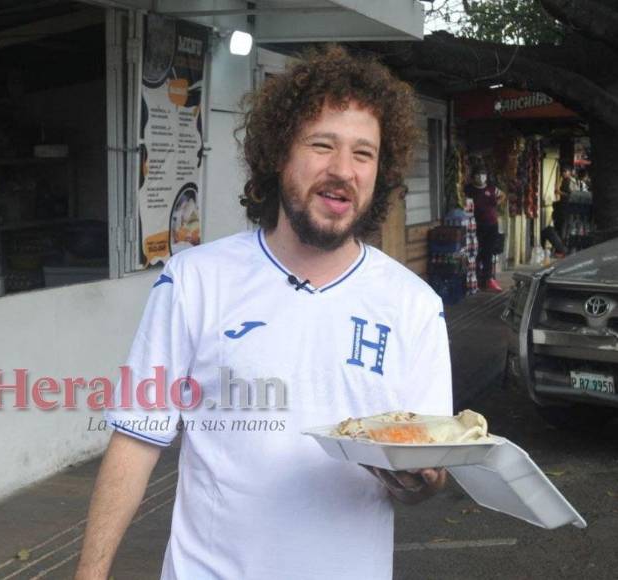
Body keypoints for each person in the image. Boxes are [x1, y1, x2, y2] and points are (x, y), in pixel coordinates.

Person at [75, 46, 452, 580]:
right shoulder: (195, 281)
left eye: (363, 154)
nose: (342, 170)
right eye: (322, 145)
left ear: (380, 171)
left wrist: (421, 480)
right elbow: (136, 439)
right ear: (279, 154)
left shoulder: (416, 306)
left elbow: (429, 467)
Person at [464, 166, 505, 292]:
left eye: (483, 174)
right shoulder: (469, 189)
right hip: (475, 226)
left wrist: (496, 204)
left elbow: (503, 195)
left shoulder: (492, 188)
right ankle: (476, 278)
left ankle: (488, 279)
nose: (481, 177)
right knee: (476, 253)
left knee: (489, 252)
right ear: (473, 176)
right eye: (478, 174)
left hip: (492, 225)